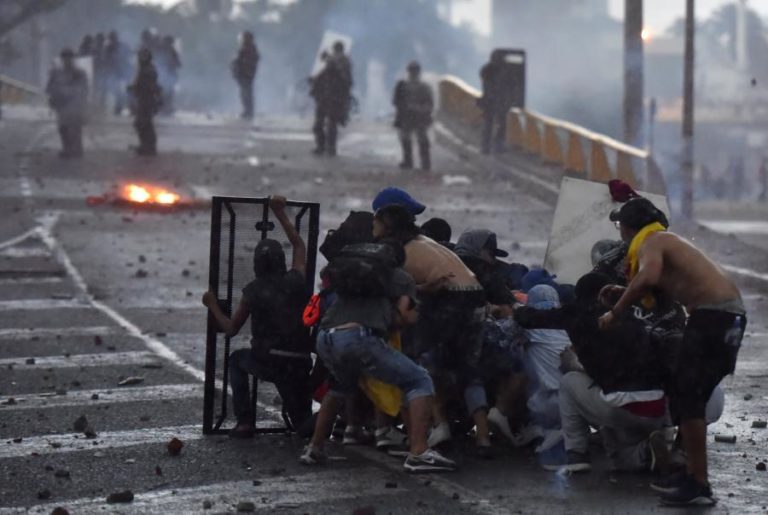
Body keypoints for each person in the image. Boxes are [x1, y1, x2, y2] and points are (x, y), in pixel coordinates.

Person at [598, 197, 746, 506]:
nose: (620, 233)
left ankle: (698, 483)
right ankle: (693, 475)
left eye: (619, 226)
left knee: (687, 395)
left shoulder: (653, 240)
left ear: (628, 227)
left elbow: (649, 278)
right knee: (687, 394)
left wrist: (616, 313)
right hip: (727, 316)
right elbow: (663, 293)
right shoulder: (667, 242)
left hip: (713, 315)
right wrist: (624, 294)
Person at [300, 241, 457, 473]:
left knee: (339, 386)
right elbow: (406, 317)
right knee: (419, 380)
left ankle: (314, 448)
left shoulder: (358, 275)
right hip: (356, 338)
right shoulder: (401, 278)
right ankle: (419, 452)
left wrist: (421, 290)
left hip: (326, 338)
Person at [373, 205, 493, 457]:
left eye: (376, 222)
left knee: (420, 364)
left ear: (388, 225)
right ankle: (483, 437)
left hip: (449, 299)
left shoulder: (396, 251)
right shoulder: (424, 241)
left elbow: (400, 290)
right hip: (475, 296)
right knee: (468, 369)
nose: (373, 227)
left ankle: (439, 426)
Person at [202, 195, 313, 437]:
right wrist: (279, 212)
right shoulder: (296, 280)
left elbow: (231, 329)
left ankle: (244, 421)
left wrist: (212, 305)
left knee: (236, 360)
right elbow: (299, 245)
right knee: (302, 424)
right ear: (281, 261)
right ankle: (318, 421)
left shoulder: (253, 290)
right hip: (301, 361)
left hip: (270, 361)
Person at [310, 41, 352, 156]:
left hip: (333, 97)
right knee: (326, 124)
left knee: (328, 124)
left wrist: (327, 59)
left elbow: (336, 68)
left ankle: (326, 147)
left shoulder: (342, 62)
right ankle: (325, 147)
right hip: (329, 97)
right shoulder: (338, 64)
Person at [46, 48, 88, 158]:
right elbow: (50, 87)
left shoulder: (79, 73)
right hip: (62, 104)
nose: (67, 60)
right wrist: (52, 98)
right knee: (63, 128)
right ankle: (67, 149)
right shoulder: (56, 73)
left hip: (75, 104)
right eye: (65, 57)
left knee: (75, 128)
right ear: (62, 59)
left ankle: (77, 149)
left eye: (69, 57)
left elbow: (84, 88)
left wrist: (81, 100)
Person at [392, 61, 434, 171]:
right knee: (421, 138)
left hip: (408, 115)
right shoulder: (424, 87)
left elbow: (396, 102)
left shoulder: (403, 86)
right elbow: (430, 103)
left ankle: (408, 161)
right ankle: (425, 164)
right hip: (420, 115)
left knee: (406, 138)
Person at [127, 48, 162, 156]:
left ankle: (148, 147)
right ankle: (147, 146)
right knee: (143, 124)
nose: (139, 59)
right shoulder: (146, 69)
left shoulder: (147, 70)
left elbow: (147, 86)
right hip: (145, 99)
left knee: (142, 123)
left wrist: (134, 88)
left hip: (147, 100)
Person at [479, 50, 514, 154]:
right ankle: (493, 146)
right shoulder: (496, 70)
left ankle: (490, 146)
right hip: (494, 101)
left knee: (492, 125)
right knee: (494, 124)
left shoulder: (488, 69)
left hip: (494, 101)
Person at [231, 31, 260, 119]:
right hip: (245, 75)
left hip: (246, 75)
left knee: (246, 93)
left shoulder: (248, 50)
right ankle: (247, 111)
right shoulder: (250, 50)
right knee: (245, 93)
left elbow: (240, 61)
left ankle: (248, 111)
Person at [103, 31, 132, 116]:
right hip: (114, 72)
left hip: (122, 71)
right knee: (116, 91)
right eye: (111, 38)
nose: (112, 39)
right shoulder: (108, 47)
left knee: (123, 90)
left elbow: (128, 55)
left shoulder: (122, 46)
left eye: (113, 37)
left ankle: (122, 106)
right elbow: (105, 59)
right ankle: (118, 106)